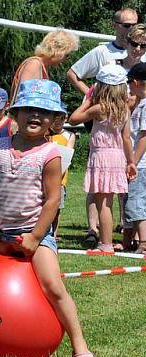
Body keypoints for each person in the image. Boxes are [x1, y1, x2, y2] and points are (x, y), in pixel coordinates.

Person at [0, 79, 97, 357]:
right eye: (28, 109)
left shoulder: (50, 154)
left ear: (54, 121)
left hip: (34, 235)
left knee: (53, 286)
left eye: (43, 112)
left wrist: (35, 237)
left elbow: (52, 200)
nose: (35, 116)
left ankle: (80, 347)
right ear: (14, 114)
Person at [69, 64, 137, 253]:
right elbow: (126, 138)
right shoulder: (124, 109)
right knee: (108, 202)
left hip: (102, 156)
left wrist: (89, 99)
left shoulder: (98, 108)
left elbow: (73, 119)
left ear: (102, 87)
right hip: (117, 157)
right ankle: (106, 241)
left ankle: (105, 244)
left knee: (103, 204)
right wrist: (130, 162)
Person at [66, 8, 139, 96]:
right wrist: (92, 97)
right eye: (127, 25)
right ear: (115, 25)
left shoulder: (143, 51)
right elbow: (72, 74)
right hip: (111, 107)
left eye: (134, 25)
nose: (131, 29)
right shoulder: (102, 51)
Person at [9, 29, 80, 104]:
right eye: (67, 55)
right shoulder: (34, 64)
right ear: (58, 49)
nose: (67, 59)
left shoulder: (42, 67)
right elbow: (24, 99)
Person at [125, 62, 146, 252]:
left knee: (137, 203)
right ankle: (131, 241)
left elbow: (144, 137)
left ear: (137, 82)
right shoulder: (141, 104)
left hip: (141, 164)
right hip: (141, 163)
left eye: (130, 82)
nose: (129, 86)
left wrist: (133, 162)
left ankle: (143, 244)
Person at [49, 105, 76, 238]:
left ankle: (54, 233)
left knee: (57, 207)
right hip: (43, 177)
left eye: (62, 118)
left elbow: (67, 155)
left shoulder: (69, 135)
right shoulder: (45, 134)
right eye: (55, 118)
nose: (58, 121)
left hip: (60, 178)